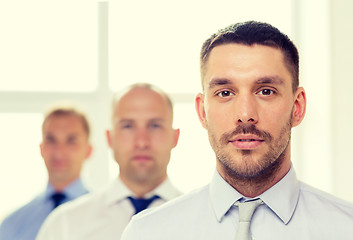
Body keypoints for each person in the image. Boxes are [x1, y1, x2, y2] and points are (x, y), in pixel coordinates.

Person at [120, 21, 353, 240]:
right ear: (202, 112)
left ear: (298, 107)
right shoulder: (147, 233)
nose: (245, 114)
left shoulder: (346, 228)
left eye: (266, 91)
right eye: (225, 93)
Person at [36, 83, 182, 240]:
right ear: (109, 138)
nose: (141, 142)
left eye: (155, 125)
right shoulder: (63, 225)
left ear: (175, 137)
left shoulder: (205, 221)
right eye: (127, 126)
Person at [0, 105, 92, 240]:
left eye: (71, 140)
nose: (59, 152)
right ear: (41, 148)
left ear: (88, 150)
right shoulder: (11, 225)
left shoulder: (110, 217)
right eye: (51, 140)